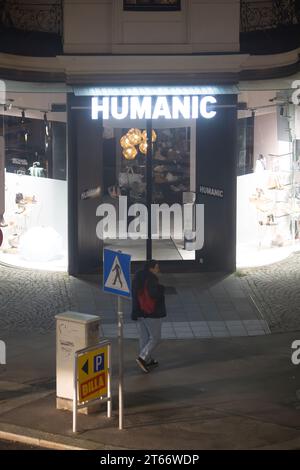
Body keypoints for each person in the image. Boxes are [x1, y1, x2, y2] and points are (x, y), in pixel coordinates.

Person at [131, 260, 166, 373]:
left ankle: (147, 360)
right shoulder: (151, 279)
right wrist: (161, 289)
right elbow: (154, 294)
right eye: (157, 267)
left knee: (144, 337)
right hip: (151, 313)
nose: (158, 269)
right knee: (156, 338)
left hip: (140, 312)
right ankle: (143, 358)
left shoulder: (138, 277)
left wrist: (135, 311)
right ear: (151, 268)